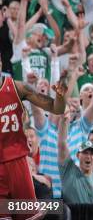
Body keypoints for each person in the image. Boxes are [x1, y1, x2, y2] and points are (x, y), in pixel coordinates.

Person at [0, 69, 67, 220]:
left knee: (29, 217)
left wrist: (60, 96)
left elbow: (57, 108)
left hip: (17, 161)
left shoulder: (18, 87)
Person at [57, 114, 93, 204]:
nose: (88, 156)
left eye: (92, 154)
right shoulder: (68, 171)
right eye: (85, 153)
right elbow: (62, 145)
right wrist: (63, 122)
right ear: (77, 155)